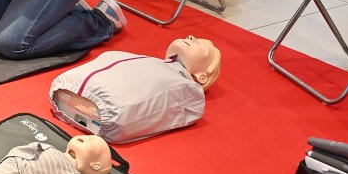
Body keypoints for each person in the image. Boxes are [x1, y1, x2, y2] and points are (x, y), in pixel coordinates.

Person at [49, 36, 222, 143]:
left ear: (202, 76)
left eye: (199, 44)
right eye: (191, 38)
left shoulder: (185, 89)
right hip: (76, 93)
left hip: (83, 99)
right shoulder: (149, 62)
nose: (191, 38)